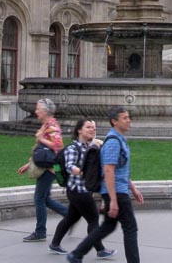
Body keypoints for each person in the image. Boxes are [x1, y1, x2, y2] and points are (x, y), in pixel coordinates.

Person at [66, 106, 144, 263]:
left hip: (118, 190)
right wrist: (113, 200)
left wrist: (133, 187)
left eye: (129, 117)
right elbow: (108, 170)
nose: (129, 120)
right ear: (114, 121)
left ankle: (77, 254)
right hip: (116, 192)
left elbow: (121, 169)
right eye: (125, 118)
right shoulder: (113, 142)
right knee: (130, 228)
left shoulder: (119, 139)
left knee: (108, 226)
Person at [49, 119, 115, 258]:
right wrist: (85, 171)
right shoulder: (73, 148)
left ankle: (54, 244)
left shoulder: (90, 147)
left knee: (71, 217)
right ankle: (100, 250)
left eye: (93, 127)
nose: (92, 129)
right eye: (88, 127)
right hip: (78, 191)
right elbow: (70, 167)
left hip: (81, 190)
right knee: (93, 219)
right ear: (79, 130)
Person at [17, 98, 67, 242]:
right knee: (44, 198)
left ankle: (40, 232)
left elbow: (58, 146)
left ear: (45, 111)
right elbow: (41, 150)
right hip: (46, 167)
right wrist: (29, 164)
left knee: (39, 199)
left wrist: (41, 138)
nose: (36, 111)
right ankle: (69, 215)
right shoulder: (47, 124)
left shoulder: (51, 125)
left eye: (38, 108)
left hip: (49, 168)